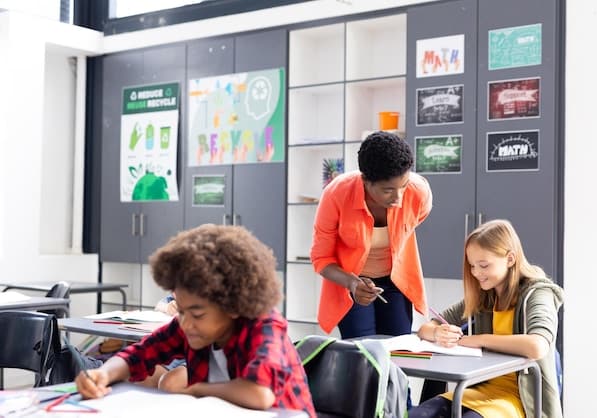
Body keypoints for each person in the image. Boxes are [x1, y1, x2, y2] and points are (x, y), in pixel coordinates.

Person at [75, 224, 317, 417]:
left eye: (197, 314)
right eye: (180, 311)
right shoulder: (188, 326)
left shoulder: (264, 327)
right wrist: (104, 374)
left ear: (232, 306)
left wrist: (196, 391)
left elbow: (258, 394)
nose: (186, 324)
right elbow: (140, 354)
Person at [410, 219, 564, 418]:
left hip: (521, 399)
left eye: (483, 265)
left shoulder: (538, 294)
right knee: (415, 415)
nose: (476, 273)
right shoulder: (485, 296)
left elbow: (537, 346)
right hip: (478, 390)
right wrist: (437, 332)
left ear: (510, 259)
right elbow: (426, 328)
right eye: (472, 266)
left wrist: (479, 340)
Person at [310, 130, 433, 338]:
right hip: (351, 283)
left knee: (397, 350)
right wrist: (352, 282)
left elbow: (416, 219)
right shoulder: (336, 195)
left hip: (396, 280)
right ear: (366, 181)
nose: (399, 198)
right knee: (362, 352)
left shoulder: (418, 192)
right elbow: (321, 258)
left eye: (403, 186)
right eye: (388, 190)